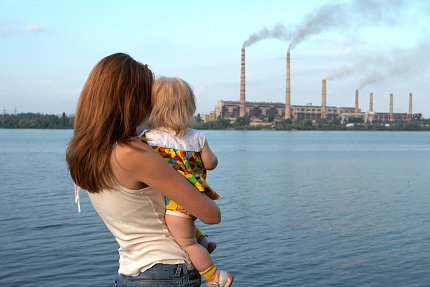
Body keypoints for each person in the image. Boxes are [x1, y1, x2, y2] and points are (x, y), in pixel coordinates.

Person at [66, 53, 221, 287]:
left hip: (131, 271)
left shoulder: (86, 153)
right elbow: (211, 214)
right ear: (133, 101)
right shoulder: (133, 153)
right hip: (167, 271)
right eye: (148, 97)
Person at [144, 77, 233, 287]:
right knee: (185, 228)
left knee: (186, 243)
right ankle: (204, 242)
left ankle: (216, 276)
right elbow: (211, 164)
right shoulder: (198, 137)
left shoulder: (149, 139)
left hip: (175, 201)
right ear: (189, 107)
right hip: (196, 198)